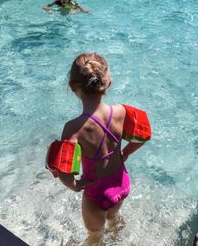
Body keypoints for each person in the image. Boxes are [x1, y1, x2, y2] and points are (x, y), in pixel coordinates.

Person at [57, 53, 145, 243]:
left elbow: (65, 174)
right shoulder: (122, 111)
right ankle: (118, 237)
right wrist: (125, 153)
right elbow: (142, 137)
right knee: (113, 219)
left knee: (95, 235)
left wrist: (76, 186)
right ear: (108, 82)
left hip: (97, 194)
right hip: (122, 184)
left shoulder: (73, 128)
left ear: (73, 86)